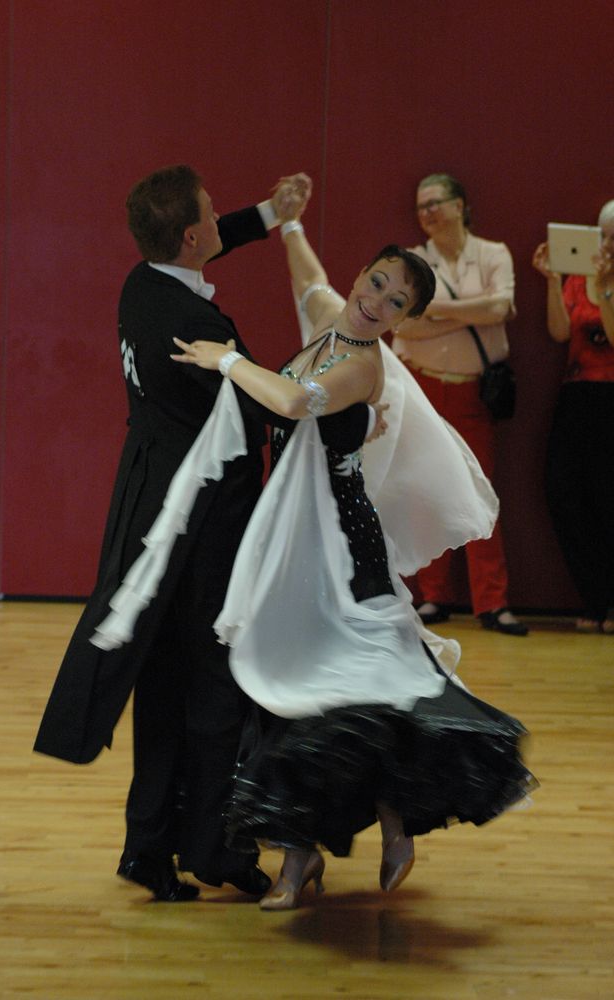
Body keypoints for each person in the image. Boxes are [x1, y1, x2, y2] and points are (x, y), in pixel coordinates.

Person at [169, 209, 537, 911]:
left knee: (355, 678)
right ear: (362, 276)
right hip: (296, 533)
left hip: (341, 539)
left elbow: (289, 400)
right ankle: (313, 852)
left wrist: (226, 360)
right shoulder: (331, 321)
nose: (377, 302)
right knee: (291, 686)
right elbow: (310, 280)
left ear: (405, 320)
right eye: (376, 283)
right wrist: (291, 223)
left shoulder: (363, 366)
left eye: (396, 302)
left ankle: (367, 830)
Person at [33, 166, 374, 902]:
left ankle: (148, 846)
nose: (222, 220)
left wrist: (271, 213)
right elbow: (267, 410)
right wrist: (344, 395)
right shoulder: (200, 329)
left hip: (149, 503)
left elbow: (206, 248)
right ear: (190, 236)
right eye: (214, 215)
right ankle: (216, 851)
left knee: (162, 682)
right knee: (218, 683)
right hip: (204, 522)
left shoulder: (141, 286)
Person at [393, 173, 528, 636]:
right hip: (422, 388)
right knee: (425, 491)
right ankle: (434, 595)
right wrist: (474, 309)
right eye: (420, 206)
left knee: (478, 491)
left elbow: (501, 308)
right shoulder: (413, 261)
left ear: (460, 205)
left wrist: (434, 310)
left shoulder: (492, 254)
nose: (427, 213)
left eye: (434, 202)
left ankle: (492, 602)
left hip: (474, 391)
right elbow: (402, 327)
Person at [532, 200, 614, 633]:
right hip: (578, 395)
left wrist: (606, 289)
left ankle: (608, 605)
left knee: (608, 496)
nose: (609, 245)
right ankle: (595, 596)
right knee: (562, 490)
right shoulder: (580, 277)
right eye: (605, 236)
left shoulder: (600, 280)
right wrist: (553, 279)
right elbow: (560, 331)